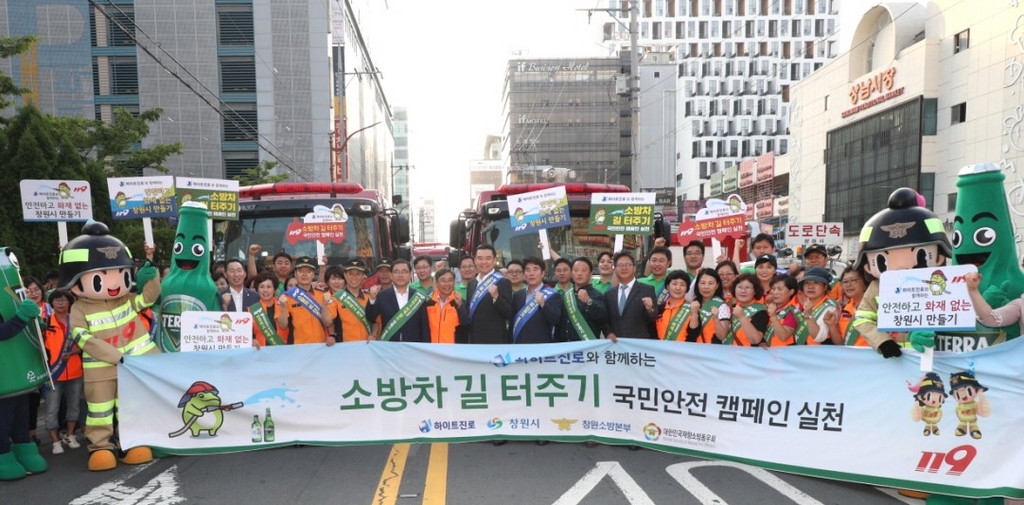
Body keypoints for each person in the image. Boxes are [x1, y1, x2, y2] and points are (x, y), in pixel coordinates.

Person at [42, 289, 83, 455]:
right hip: (53, 374)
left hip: (75, 371)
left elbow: (86, 344)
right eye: (57, 300)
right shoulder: (45, 322)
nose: (60, 302)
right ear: (51, 303)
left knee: (74, 406)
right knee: (52, 408)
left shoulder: (76, 322)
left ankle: (70, 434)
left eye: (64, 300)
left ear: (70, 303)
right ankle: (55, 441)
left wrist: (72, 353)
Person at [366, 259, 431, 342]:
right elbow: (371, 318)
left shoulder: (419, 297)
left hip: (413, 347)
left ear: (410, 275)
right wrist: (372, 299)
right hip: (390, 346)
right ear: (391, 275)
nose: (400, 275)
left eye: (404, 271)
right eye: (396, 272)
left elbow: (424, 327)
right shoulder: (381, 296)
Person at [462, 245, 514, 345]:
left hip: (494, 341)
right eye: (480, 258)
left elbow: (509, 313)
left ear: (494, 260)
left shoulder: (502, 281)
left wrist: (496, 297)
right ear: (475, 261)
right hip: (474, 339)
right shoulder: (472, 283)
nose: (484, 262)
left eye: (488, 258)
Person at [276, 256, 334, 345]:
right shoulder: (286, 297)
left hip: (322, 345)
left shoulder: (323, 294)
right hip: (298, 347)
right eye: (301, 271)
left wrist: (324, 306)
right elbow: (282, 325)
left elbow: (328, 322)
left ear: (313, 274)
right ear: (295, 274)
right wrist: (283, 308)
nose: (304, 274)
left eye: (308, 271)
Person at [603, 251, 658, 341]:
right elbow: (605, 320)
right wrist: (608, 333)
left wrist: (650, 309)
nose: (624, 268)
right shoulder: (609, 294)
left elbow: (654, 317)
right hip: (616, 344)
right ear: (615, 269)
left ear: (634, 268)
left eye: (628, 264)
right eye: (620, 265)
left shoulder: (647, 290)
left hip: (639, 345)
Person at [511, 257, 562, 344]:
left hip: (541, 347)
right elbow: (513, 322)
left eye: (535, 270)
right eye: (528, 270)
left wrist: (543, 304)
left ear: (542, 273)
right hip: (520, 346)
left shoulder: (552, 295)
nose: (531, 274)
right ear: (524, 274)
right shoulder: (517, 296)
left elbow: (555, 320)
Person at [559, 257, 607, 341]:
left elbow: (602, 316)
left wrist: (589, 301)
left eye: (584, 270)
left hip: (586, 347)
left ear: (591, 273)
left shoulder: (597, 295)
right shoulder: (565, 294)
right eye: (576, 270)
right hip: (564, 347)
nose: (579, 273)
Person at [714, 273, 768, 346]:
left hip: (747, 354)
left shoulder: (760, 311)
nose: (743, 291)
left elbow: (756, 340)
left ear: (755, 291)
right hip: (727, 353)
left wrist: (742, 317)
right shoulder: (730, 307)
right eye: (740, 287)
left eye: (748, 287)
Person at [800, 267, 842, 345]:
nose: (810, 286)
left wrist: (808, 315)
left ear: (825, 287)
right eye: (806, 283)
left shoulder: (830, 306)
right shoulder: (804, 304)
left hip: (820, 353)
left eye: (816, 283)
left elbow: (819, 337)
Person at [763, 275, 807, 347]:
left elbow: (783, 336)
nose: (775, 292)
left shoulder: (792, 312)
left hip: (784, 355)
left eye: (780, 289)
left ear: (791, 292)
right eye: (773, 289)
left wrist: (774, 317)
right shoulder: (771, 308)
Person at [684, 268, 726, 343]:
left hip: (711, 351)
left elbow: (722, 336)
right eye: (702, 283)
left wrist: (716, 319)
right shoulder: (693, 304)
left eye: (710, 283)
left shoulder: (722, 306)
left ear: (717, 285)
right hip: (693, 349)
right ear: (697, 285)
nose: (706, 287)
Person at [426, 268, 464, 344]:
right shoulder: (428, 304)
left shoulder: (460, 303)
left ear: (454, 282)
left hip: (453, 352)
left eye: (450, 280)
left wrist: (460, 306)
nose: (447, 284)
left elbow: (466, 324)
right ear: (436, 283)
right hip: (431, 350)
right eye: (443, 280)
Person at [249, 273, 287, 347]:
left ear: (274, 290)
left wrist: (283, 308)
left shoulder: (282, 305)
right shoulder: (251, 310)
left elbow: (284, 326)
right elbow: (248, 334)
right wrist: (252, 340)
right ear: (257, 290)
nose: (265, 290)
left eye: (269, 287)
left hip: (282, 351)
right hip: (261, 353)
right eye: (262, 287)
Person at [655, 270, 693, 341]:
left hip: (684, 351)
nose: (678, 288)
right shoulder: (659, 309)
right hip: (659, 351)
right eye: (674, 284)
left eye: (682, 285)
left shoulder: (692, 310)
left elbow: (694, 335)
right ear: (667, 286)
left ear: (687, 289)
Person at [837, 267, 870, 346]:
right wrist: (831, 326)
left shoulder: (875, 307)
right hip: (849, 356)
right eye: (845, 282)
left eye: (853, 280)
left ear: (865, 283)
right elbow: (841, 343)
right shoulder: (845, 309)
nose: (848, 285)